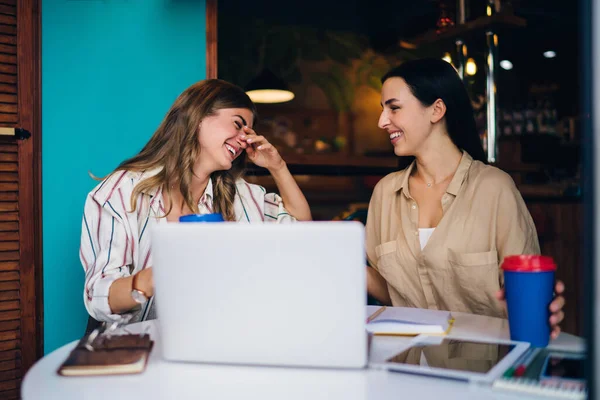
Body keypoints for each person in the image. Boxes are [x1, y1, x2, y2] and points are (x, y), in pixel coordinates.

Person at [80, 79, 312, 323]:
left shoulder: (240, 196)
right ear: (198, 115)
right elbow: (97, 295)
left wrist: (278, 166)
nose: (245, 140)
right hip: (139, 348)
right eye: (237, 125)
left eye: (249, 132)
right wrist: (156, 275)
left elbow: (300, 228)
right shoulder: (122, 192)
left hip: (219, 340)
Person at [366, 58, 565, 338]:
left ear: (436, 110)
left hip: (483, 371)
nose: (382, 121)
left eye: (394, 108)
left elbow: (525, 294)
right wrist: (339, 259)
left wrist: (541, 310)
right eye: (383, 110)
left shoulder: (494, 189)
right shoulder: (385, 193)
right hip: (406, 367)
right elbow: (392, 292)